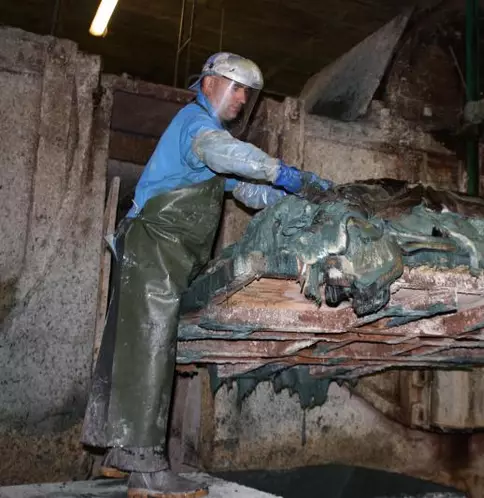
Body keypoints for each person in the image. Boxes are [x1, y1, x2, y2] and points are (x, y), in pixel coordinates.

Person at [81, 52, 332, 498]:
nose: (240, 99)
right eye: (235, 88)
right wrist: (286, 173)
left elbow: (247, 187)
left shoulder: (211, 146)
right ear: (211, 83)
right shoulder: (197, 126)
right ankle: (146, 471)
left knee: (129, 345)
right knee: (151, 345)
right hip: (153, 246)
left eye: (246, 94)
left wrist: (291, 197)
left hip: (158, 252)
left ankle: (117, 454)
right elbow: (230, 155)